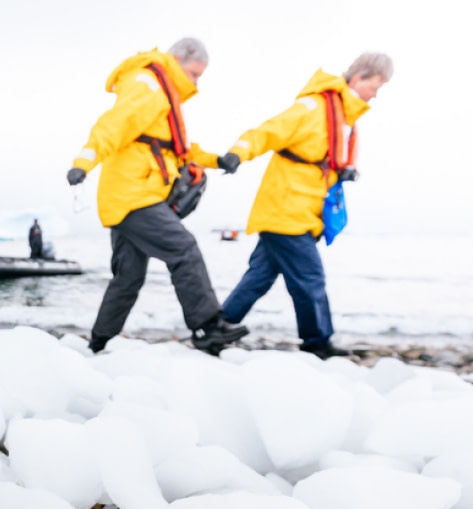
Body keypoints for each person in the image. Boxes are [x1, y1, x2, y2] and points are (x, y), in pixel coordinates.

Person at [66, 38, 247, 355]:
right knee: (184, 249)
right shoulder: (149, 84)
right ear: (177, 59)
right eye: (194, 73)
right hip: (133, 195)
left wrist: (216, 160)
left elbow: (177, 148)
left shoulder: (163, 93)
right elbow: (112, 125)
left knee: (128, 279)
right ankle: (208, 327)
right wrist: (84, 162)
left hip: (126, 197)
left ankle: (97, 344)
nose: (196, 83)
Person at [218, 53, 393, 359]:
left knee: (259, 276)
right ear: (358, 78)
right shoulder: (314, 107)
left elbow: (320, 157)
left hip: (299, 211)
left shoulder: (342, 116)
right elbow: (267, 132)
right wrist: (237, 153)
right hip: (286, 210)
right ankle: (317, 343)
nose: (376, 94)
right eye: (376, 86)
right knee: (310, 278)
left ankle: (217, 327)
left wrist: (343, 171)